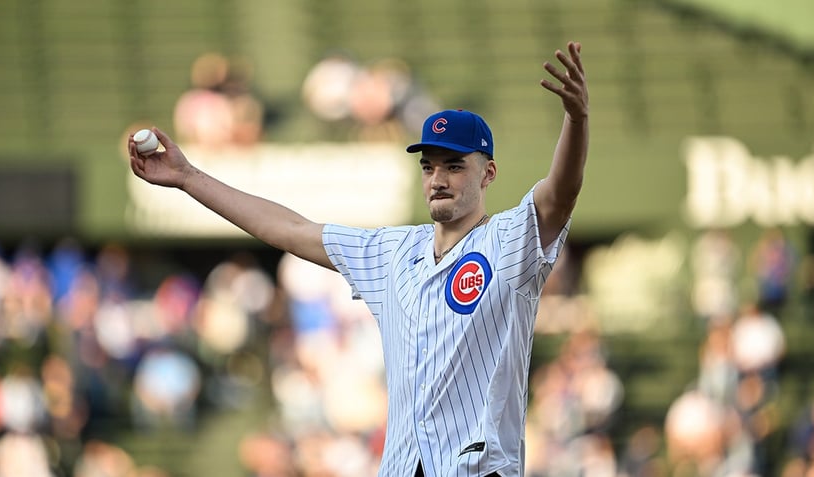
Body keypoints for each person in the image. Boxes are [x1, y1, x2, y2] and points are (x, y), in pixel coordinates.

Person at [128, 41, 589, 477]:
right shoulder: (391, 252)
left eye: (454, 165)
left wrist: (576, 120)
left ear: (488, 172)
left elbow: (558, 196)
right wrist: (188, 178)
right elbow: (288, 229)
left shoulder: (510, 242)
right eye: (429, 166)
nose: (438, 178)